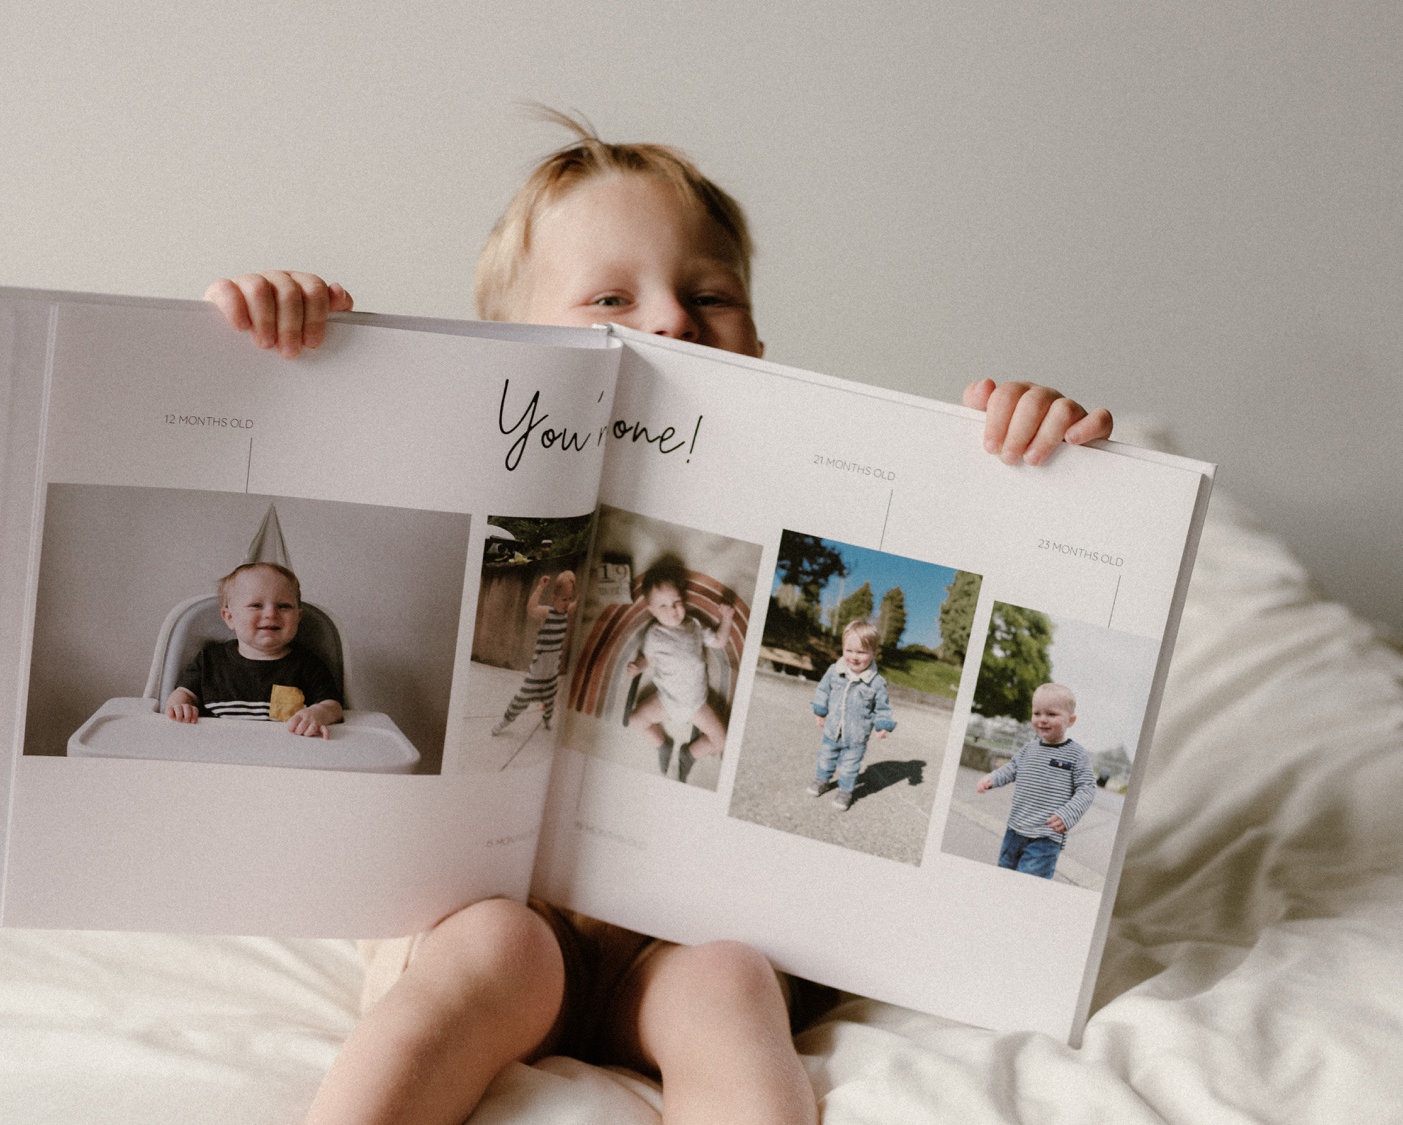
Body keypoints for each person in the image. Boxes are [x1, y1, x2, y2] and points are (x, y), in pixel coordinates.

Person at [208, 115, 1115, 1125]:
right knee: (491, 949)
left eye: (710, 295)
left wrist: (1038, 464)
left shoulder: (814, 480)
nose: (674, 319)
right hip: (503, 910)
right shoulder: (448, 452)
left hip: (692, 937)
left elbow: (990, 540)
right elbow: (299, 437)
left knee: (726, 980)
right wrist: (279, 338)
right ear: (512, 350)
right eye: (612, 297)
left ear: (758, 347)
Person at [164, 561, 343, 739]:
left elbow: (333, 706)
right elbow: (183, 694)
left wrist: (317, 714)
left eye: (284, 606)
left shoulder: (307, 664)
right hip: (217, 748)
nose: (271, 614)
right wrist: (179, 707)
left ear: (298, 617)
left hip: (284, 751)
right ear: (230, 618)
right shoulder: (210, 660)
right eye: (256, 605)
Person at [625, 560, 734, 781]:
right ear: (652, 610)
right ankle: (662, 744)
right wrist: (638, 666)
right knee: (635, 720)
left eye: (677, 602)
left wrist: (727, 618)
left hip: (696, 703)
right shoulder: (655, 634)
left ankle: (689, 754)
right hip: (666, 700)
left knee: (722, 741)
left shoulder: (694, 625)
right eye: (663, 606)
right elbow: (647, 658)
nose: (673, 610)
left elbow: (719, 641)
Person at [975, 682, 1096, 879]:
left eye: (1051, 714)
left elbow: (1087, 788)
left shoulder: (1076, 754)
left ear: (1071, 720)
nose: (1043, 719)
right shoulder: (1029, 748)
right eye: (1037, 713)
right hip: (1014, 829)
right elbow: (1012, 768)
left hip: (1045, 837)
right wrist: (993, 777)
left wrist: (1068, 814)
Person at [807, 618, 895, 811]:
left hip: (856, 737)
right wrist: (820, 711)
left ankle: (845, 791)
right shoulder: (835, 671)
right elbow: (823, 691)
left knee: (849, 766)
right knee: (825, 758)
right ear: (843, 649)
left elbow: (882, 707)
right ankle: (822, 780)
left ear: (874, 653)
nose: (854, 657)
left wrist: (882, 725)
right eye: (849, 651)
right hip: (832, 730)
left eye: (861, 652)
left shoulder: (876, 683)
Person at [493, 570, 577, 734]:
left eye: (569, 599)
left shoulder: (566, 613)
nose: (567, 603)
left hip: (552, 672)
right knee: (521, 698)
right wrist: (540, 588)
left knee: (550, 700)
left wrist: (580, 597)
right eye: (563, 599)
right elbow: (531, 609)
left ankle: (547, 719)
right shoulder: (547, 613)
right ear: (553, 598)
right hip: (537, 672)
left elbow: (576, 605)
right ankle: (504, 721)